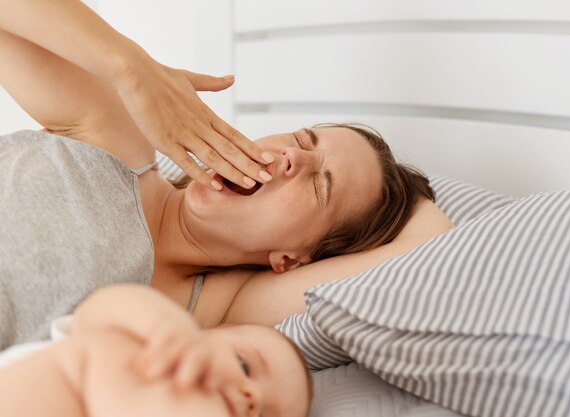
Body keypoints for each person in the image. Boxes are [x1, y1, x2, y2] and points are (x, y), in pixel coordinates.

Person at [0, 1, 455, 348]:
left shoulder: (219, 311)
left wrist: (404, 195)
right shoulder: (115, 140)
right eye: (300, 141)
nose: (292, 159)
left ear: (293, 260)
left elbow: (432, 243)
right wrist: (131, 69)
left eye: (321, 185)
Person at [0, 284, 311, 417]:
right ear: (204, 333)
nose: (252, 398)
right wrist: (169, 325)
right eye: (245, 366)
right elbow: (97, 308)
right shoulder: (136, 339)